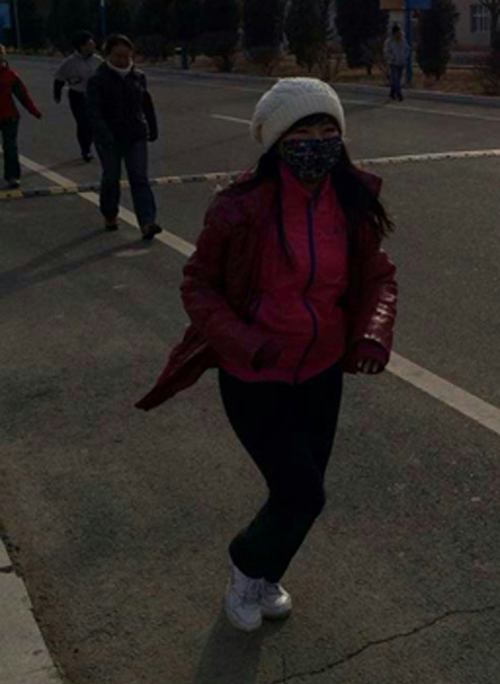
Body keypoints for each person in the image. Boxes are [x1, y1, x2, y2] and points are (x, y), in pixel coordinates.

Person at [135, 78, 398, 632]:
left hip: (322, 372)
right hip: (253, 376)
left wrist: (373, 332)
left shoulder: (351, 200)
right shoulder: (240, 208)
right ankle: (245, 564)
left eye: (328, 130)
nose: (318, 142)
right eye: (304, 131)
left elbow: (378, 276)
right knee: (302, 492)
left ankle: (267, 572)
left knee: (299, 492)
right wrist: (246, 343)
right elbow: (198, 286)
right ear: (278, 140)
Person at [87, 34, 162, 239]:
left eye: (126, 56)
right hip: (109, 137)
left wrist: (152, 126)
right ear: (108, 55)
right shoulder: (98, 80)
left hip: (135, 135)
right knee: (111, 177)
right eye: (117, 55)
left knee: (139, 177)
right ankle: (110, 214)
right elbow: (93, 112)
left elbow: (145, 103)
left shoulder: (138, 76)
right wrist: (103, 134)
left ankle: (147, 222)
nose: (122, 60)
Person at [53, 30, 103, 163]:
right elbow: (59, 79)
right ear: (81, 46)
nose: (93, 45)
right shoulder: (69, 62)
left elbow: (106, 78)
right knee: (83, 122)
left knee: (94, 122)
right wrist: (57, 94)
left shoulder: (98, 61)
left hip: (95, 96)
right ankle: (85, 150)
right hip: (78, 95)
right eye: (89, 43)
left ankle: (97, 146)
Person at [0, 44, 42, 189]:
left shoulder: (11, 76)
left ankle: (12, 176)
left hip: (9, 117)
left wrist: (34, 111)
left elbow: (23, 96)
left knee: (10, 147)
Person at [384, 24, 410, 102]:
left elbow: (407, 49)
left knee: (397, 79)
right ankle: (399, 94)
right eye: (398, 32)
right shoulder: (389, 42)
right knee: (395, 79)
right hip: (393, 63)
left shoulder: (403, 41)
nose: (399, 34)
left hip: (401, 63)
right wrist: (392, 58)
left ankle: (392, 93)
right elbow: (386, 51)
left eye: (400, 32)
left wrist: (404, 57)